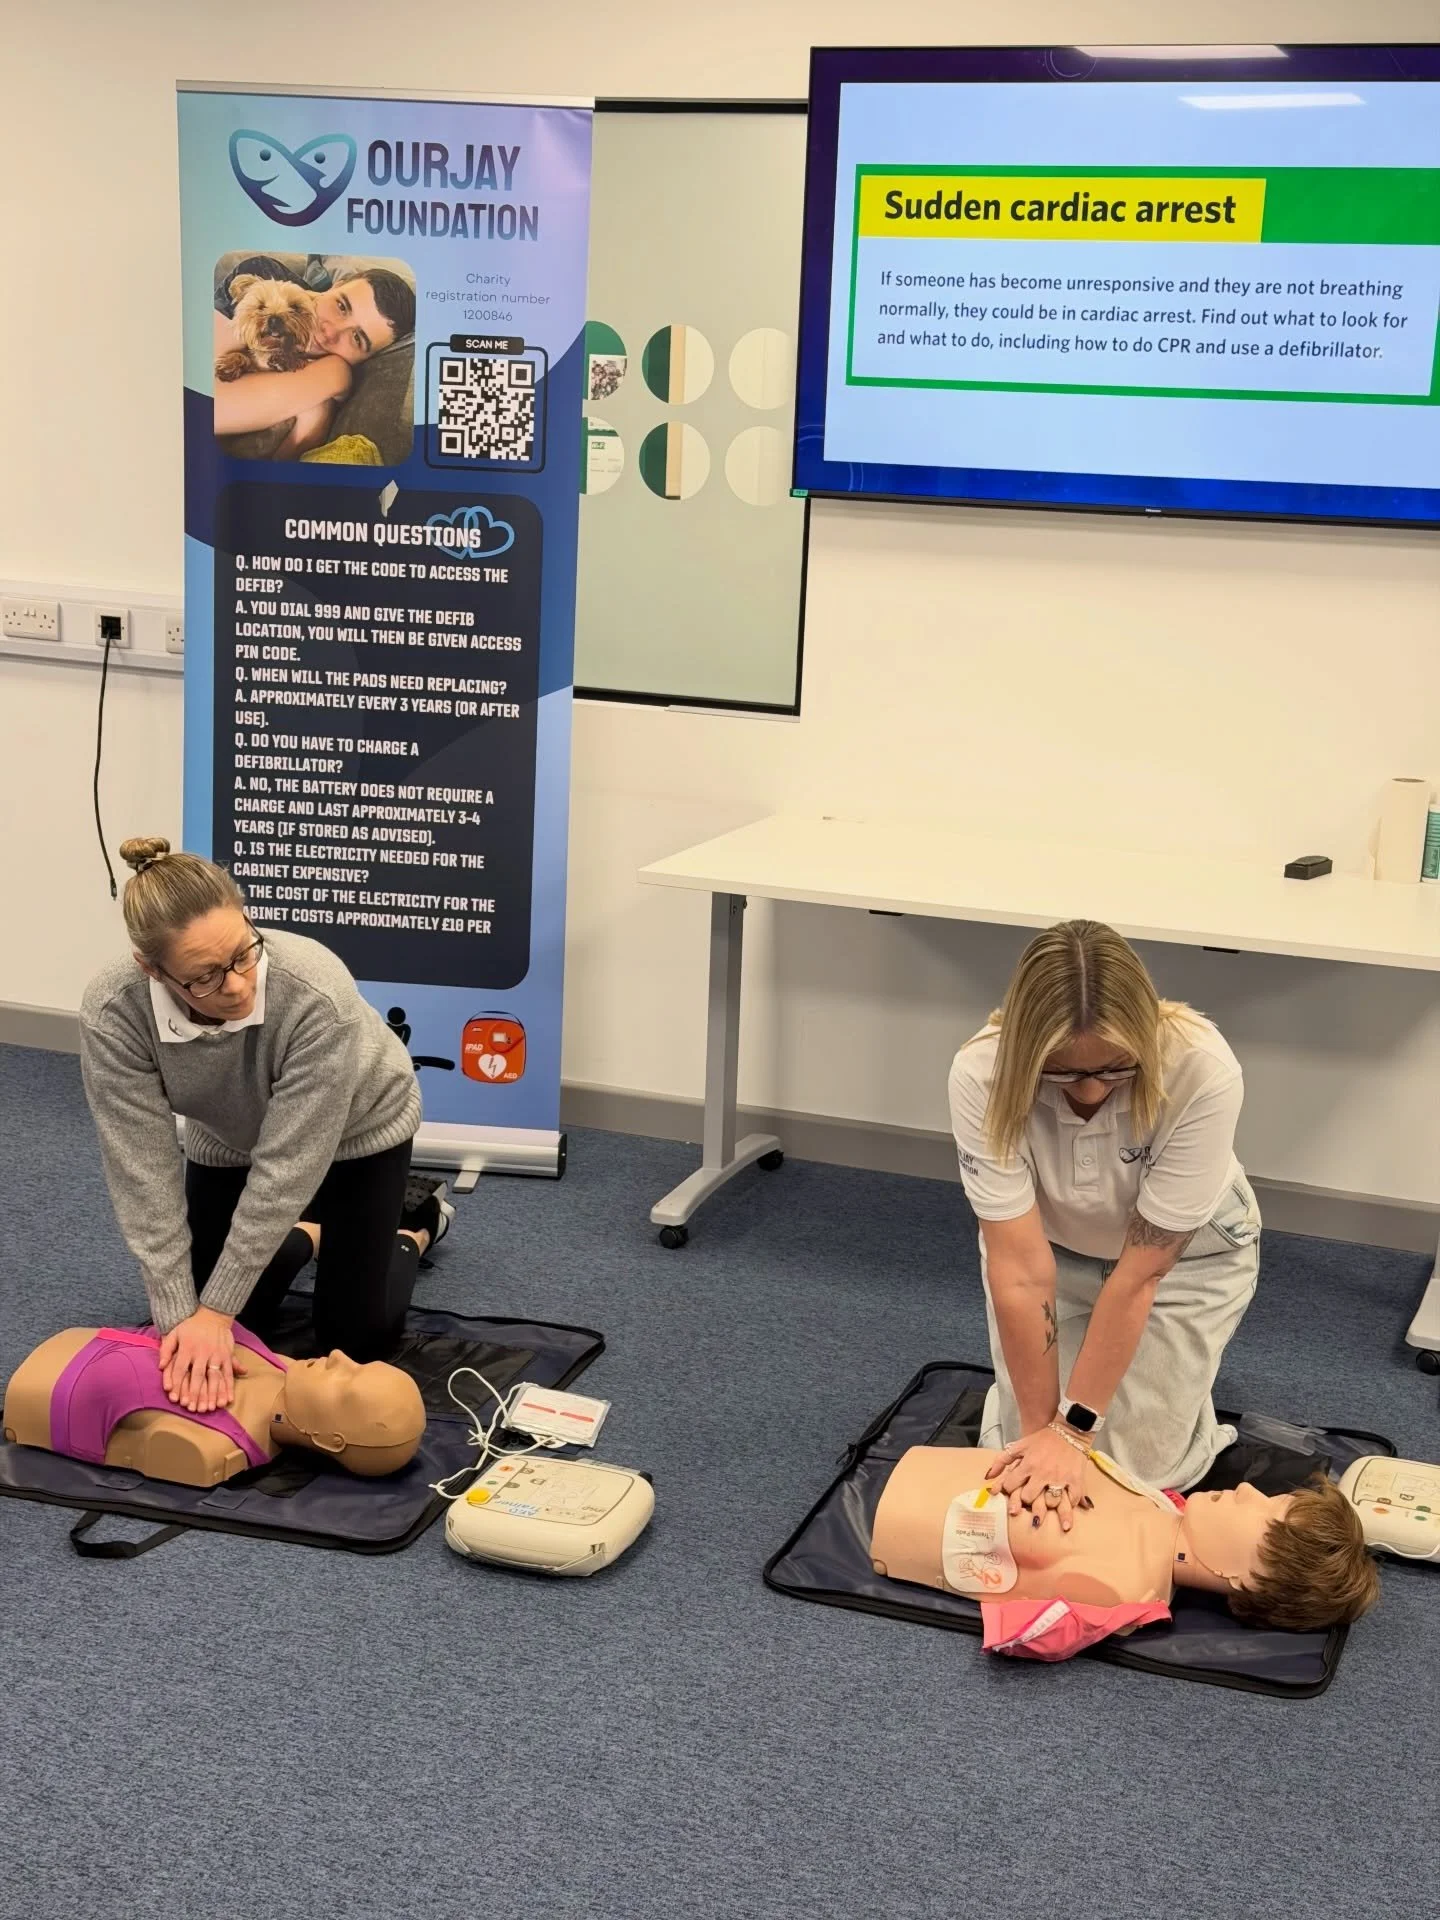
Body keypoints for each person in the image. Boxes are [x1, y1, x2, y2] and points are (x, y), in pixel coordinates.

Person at [78, 837, 446, 1418]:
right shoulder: (115, 1012)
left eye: (244, 953)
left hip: (359, 1132)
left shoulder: (316, 992)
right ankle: (311, 1233)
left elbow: (287, 1163)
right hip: (226, 1139)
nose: (238, 985)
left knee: (354, 1343)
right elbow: (141, 1171)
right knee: (202, 1323)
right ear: (151, 968)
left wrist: (216, 1314)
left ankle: (414, 1225)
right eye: (203, 976)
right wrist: (185, 1318)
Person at [948, 919, 1261, 1515]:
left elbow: (1140, 1275)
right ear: (1024, 1049)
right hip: (1051, 1254)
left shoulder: (1201, 1068)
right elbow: (1019, 1271)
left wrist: (1074, 1433)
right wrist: (1043, 1438)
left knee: (1133, 1477)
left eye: (1117, 1069)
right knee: (1024, 1462)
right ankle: (1024, 1405)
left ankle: (1183, 1407)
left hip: (1187, 1263)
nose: (1090, 1091)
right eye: (1061, 1071)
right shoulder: (980, 1073)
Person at [870, 1443, 1379, 1661]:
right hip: (934, 1470)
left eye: (1266, 1512)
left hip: (894, 1524)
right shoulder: (1160, 1505)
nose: (1247, 1491)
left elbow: (1018, 1637)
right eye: (1271, 1495)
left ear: (1252, 1579)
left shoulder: (1124, 1591)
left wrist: (1090, 1624)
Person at [3, 1325, 427, 1487]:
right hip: (77, 1342)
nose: (338, 1356)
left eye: (346, 1382)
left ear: (329, 1440)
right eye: (358, 1363)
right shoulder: (284, 1371)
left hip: (36, 1391)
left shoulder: (210, 1447)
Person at [211, 258, 415, 454]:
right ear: (335, 286)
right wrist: (333, 375)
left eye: (356, 338)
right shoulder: (264, 279)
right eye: (341, 306)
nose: (330, 332)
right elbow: (203, 406)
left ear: (365, 360)